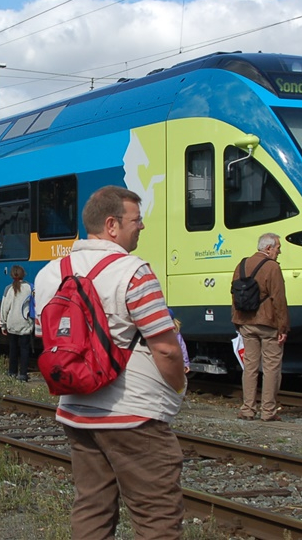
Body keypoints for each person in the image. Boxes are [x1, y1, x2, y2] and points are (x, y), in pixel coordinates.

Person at [34, 186, 186, 538]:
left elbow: (48, 338)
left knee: (91, 508)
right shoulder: (133, 271)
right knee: (157, 516)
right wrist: (177, 385)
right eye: (137, 219)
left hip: (76, 411)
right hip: (134, 415)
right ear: (112, 225)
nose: (142, 226)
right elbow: (165, 348)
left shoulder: (49, 274)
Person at [231, 232, 289, 422]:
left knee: (250, 367)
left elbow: (234, 294)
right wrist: (283, 328)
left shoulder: (241, 265)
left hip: (246, 323)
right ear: (268, 248)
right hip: (268, 324)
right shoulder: (272, 268)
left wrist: (236, 321)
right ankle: (268, 411)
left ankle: (247, 409)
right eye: (278, 248)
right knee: (271, 368)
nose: (279, 252)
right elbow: (278, 299)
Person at [0, 264, 34, 382]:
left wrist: (3, 324)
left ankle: (12, 372)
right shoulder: (30, 287)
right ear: (23, 274)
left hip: (12, 323)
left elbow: (4, 308)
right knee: (25, 349)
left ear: (11, 275)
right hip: (25, 323)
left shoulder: (8, 289)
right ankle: (23, 374)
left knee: (12, 349)